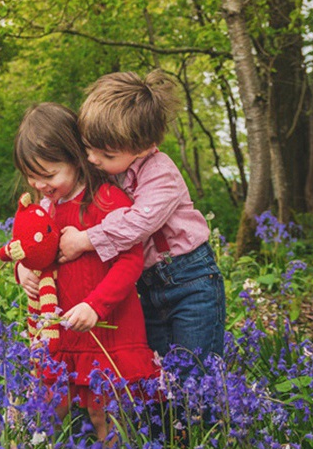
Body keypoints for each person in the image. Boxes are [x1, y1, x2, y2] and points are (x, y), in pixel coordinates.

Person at [11, 102, 160, 442]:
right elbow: (31, 252)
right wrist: (23, 270)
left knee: (103, 408)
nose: (39, 184)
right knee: (51, 403)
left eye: (48, 175)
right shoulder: (44, 210)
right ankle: (34, 446)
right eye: (31, 176)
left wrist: (96, 306)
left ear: (77, 158)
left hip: (108, 327)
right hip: (63, 330)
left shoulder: (107, 200)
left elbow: (130, 261)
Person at [58, 69, 226, 365]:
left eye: (106, 155)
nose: (94, 160)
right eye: (88, 149)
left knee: (195, 370)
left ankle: (204, 411)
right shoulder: (111, 171)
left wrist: (85, 240)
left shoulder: (161, 173)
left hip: (191, 281)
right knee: (160, 370)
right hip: (147, 287)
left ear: (144, 148)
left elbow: (138, 223)